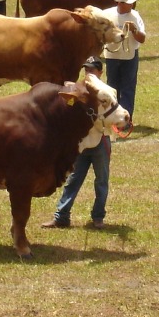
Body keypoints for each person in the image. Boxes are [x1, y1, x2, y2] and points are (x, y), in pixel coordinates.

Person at [42, 57, 111, 229]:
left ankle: (98, 217)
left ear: (100, 73)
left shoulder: (107, 94)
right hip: (82, 143)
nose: (88, 73)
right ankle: (61, 217)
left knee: (101, 180)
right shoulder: (78, 91)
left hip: (100, 142)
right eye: (86, 70)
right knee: (73, 180)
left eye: (92, 70)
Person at [100, 0, 145, 133]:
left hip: (129, 56)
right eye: (128, 3)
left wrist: (134, 31)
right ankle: (112, 118)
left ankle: (125, 120)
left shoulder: (135, 16)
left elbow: (142, 38)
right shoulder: (106, 15)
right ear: (119, 3)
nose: (131, 5)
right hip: (112, 56)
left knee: (127, 89)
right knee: (112, 88)